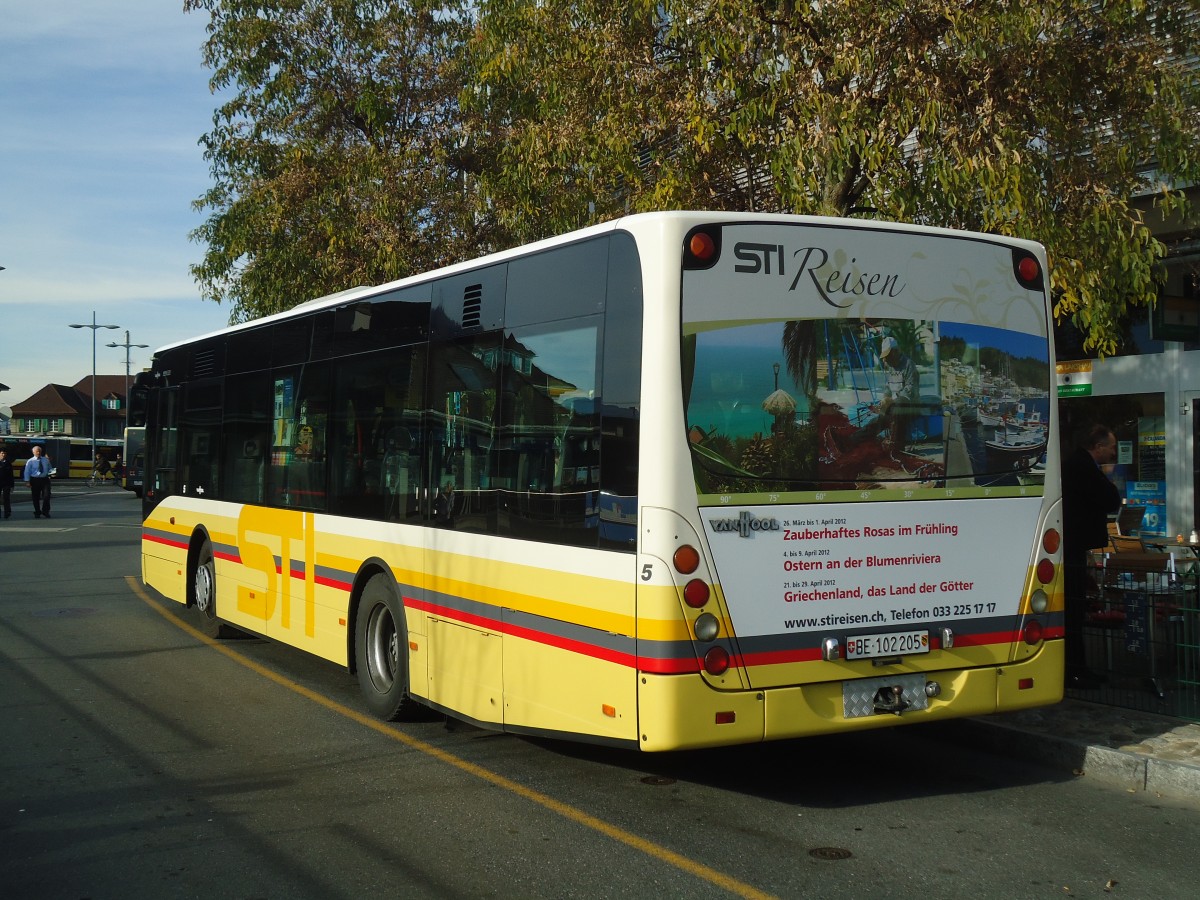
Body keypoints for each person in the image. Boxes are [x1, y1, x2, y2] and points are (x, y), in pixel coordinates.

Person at [1060, 424, 1121, 689]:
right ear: (1098, 447)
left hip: (1073, 544)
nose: (1114, 453)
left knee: (1075, 608)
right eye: (1111, 447)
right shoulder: (1083, 467)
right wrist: (1108, 479)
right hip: (1072, 546)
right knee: (1073, 610)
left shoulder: (1077, 464)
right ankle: (1075, 669)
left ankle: (1077, 667)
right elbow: (1110, 499)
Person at [23, 444, 53, 518]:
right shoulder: (30, 461)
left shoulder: (45, 460)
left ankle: (45, 511)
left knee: (47, 496)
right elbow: (27, 471)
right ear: (33, 452)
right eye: (37, 451)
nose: (38, 453)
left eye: (39, 451)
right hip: (35, 480)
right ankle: (37, 511)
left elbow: (50, 468)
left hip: (45, 479)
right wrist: (27, 481)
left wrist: (52, 473)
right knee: (35, 497)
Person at [0, 448, 13, 518]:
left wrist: (12, 485)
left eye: (4, 453)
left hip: (6, 483)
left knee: (6, 498)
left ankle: (7, 512)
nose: (3, 455)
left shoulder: (8, 463)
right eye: (2, 453)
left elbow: (11, 475)